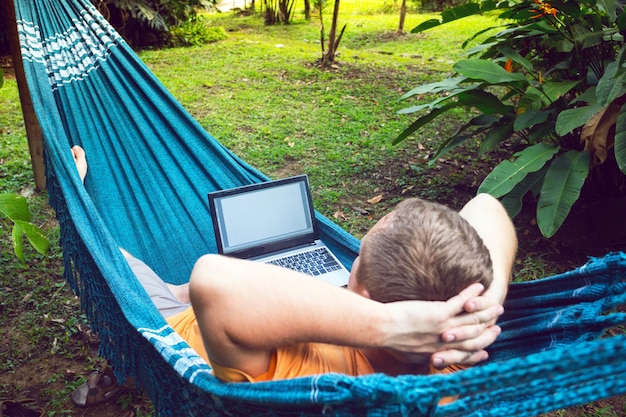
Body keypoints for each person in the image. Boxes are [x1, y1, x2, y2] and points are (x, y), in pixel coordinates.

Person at [69, 146, 515, 402]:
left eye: (355, 260)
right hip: (254, 309)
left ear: (362, 299)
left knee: (114, 260)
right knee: (184, 285)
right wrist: (476, 309)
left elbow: (213, 279)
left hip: (175, 328)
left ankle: (77, 188)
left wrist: (389, 326)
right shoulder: (453, 358)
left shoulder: (303, 370)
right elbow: (487, 206)